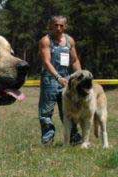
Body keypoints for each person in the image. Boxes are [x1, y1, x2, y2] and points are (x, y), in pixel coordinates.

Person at [38, 15, 82, 145]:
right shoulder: (45, 41)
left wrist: (80, 76)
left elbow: (74, 60)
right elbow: (46, 62)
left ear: (65, 26)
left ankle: (74, 139)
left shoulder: (69, 41)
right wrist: (58, 77)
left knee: (70, 110)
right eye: (55, 25)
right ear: (50, 26)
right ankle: (47, 140)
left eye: (61, 25)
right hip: (50, 80)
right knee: (46, 113)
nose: (58, 28)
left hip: (67, 80)